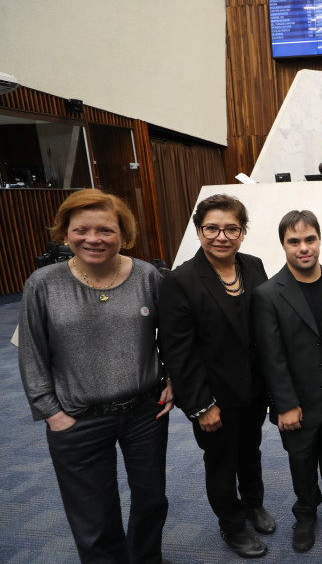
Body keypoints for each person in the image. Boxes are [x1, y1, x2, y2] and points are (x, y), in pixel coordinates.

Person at [18, 189, 173, 564]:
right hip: (76, 419)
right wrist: (51, 413)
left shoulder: (147, 276)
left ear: (123, 233)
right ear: (65, 233)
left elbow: (171, 335)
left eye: (105, 230)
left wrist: (173, 379)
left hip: (144, 415)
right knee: (94, 514)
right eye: (81, 230)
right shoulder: (44, 283)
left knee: (151, 499)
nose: (93, 239)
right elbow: (32, 354)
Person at [159, 194, 274, 559]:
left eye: (231, 229)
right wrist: (200, 405)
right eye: (212, 228)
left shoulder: (253, 266)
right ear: (198, 230)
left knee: (250, 451)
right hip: (214, 395)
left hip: (254, 389)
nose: (221, 236)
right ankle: (233, 525)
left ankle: (253, 504)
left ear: (243, 232)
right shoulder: (181, 280)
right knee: (221, 462)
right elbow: (177, 351)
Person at [252, 210, 322, 553]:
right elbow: (271, 356)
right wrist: (285, 404)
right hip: (295, 401)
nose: (303, 248)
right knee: (301, 460)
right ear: (283, 245)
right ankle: (305, 514)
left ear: (319, 240)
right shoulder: (267, 294)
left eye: (310, 239)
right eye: (293, 241)